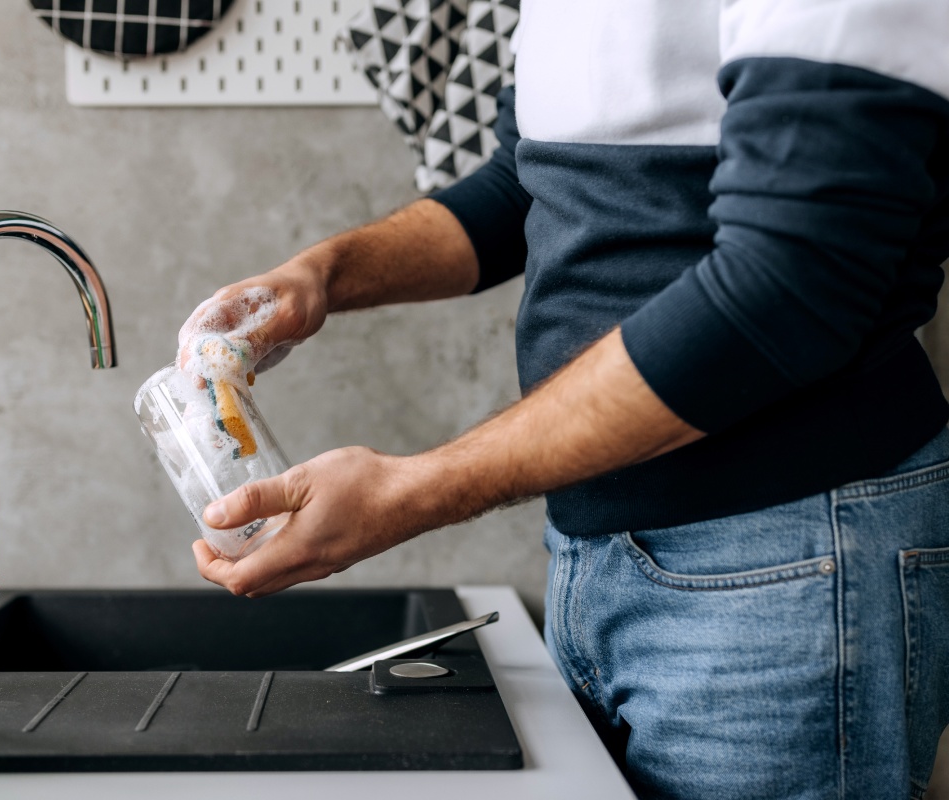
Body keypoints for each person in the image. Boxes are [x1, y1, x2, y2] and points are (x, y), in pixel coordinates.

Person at [175, 2, 949, 796]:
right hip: (599, 553)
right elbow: (525, 181)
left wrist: (409, 492)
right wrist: (324, 275)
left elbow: (787, 284)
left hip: (787, 554)